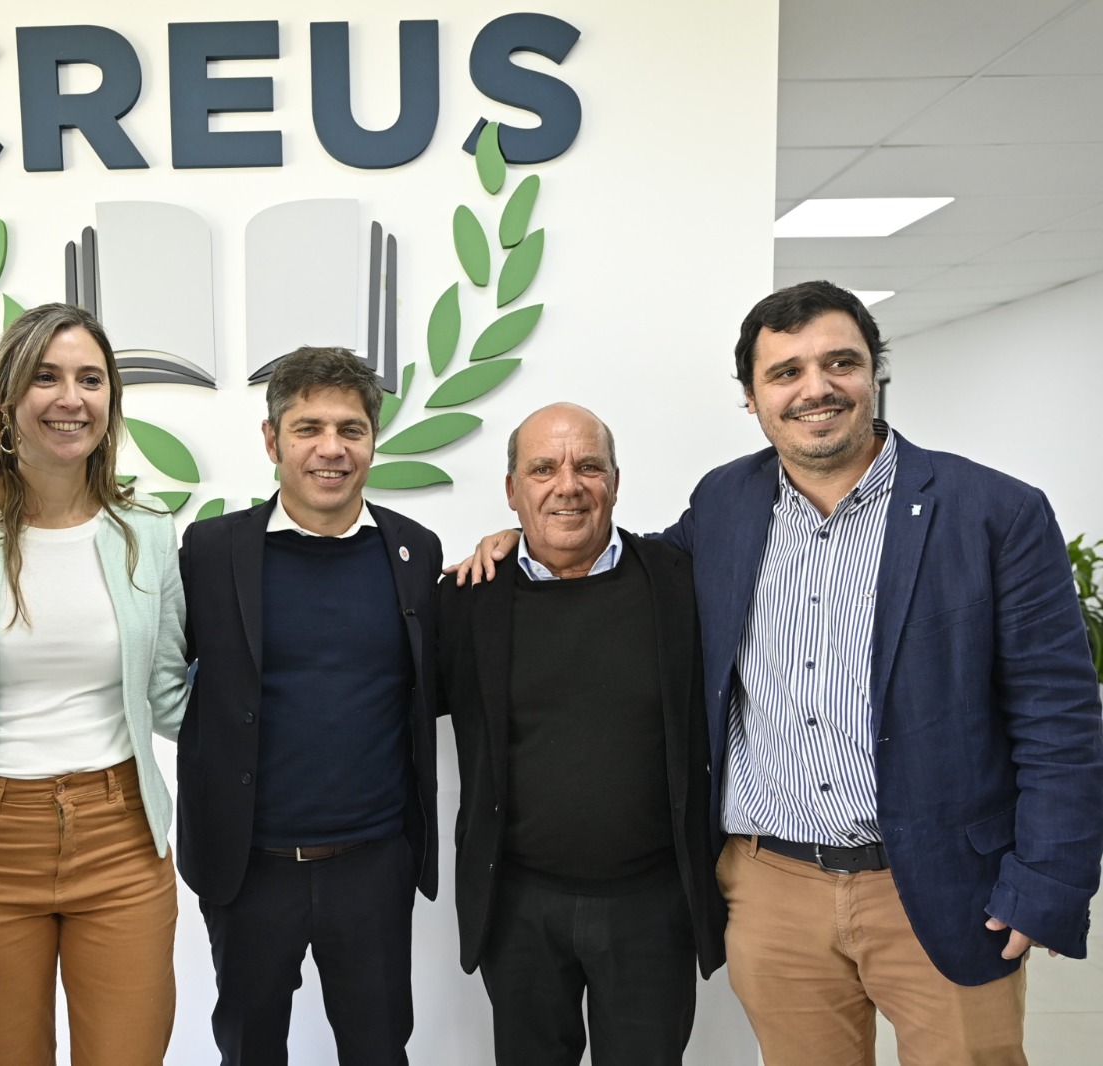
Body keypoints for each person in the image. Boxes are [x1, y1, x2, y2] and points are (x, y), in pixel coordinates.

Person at [455, 280, 1103, 1065]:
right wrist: (514, 540)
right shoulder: (725, 505)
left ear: (873, 374)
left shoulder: (993, 512)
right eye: (785, 372)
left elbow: (1060, 717)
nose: (815, 388)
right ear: (753, 398)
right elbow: (611, 564)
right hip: (773, 888)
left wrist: (1051, 880)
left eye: (840, 363)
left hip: (936, 882)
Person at [0, 303, 188, 1066]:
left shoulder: (148, 529)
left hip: (123, 835)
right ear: (7, 398)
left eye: (91, 380)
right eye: (48, 377)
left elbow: (168, 698)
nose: (72, 399)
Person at [176, 346, 442, 1065]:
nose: (332, 448)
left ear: (373, 440)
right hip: (248, 866)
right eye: (308, 428)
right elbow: (164, 678)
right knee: (249, 1050)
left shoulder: (415, 551)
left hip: (373, 862)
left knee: (379, 1048)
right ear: (273, 440)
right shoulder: (209, 551)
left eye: (351, 429)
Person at [436, 403, 723, 1066]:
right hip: (519, 906)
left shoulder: (679, 582)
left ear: (615, 482)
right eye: (543, 468)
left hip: (652, 907)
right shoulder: (468, 598)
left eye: (587, 466)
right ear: (513, 491)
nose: (567, 485)